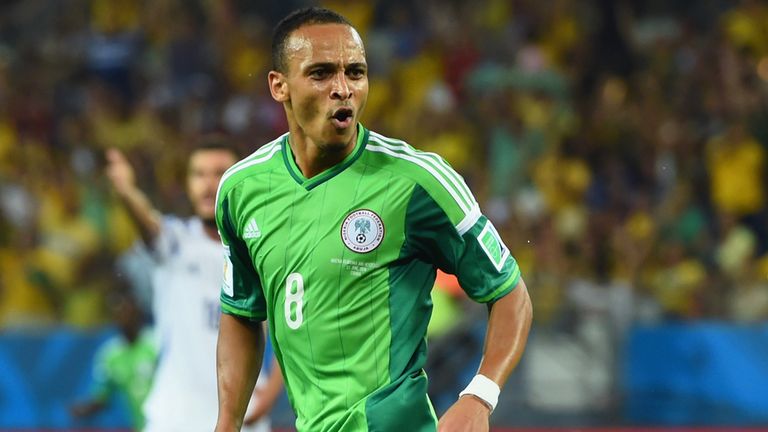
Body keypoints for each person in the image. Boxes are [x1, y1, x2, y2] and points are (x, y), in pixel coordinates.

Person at [214, 6, 533, 432]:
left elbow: (511, 293)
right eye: (321, 73)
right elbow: (241, 312)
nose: (343, 89)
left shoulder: (418, 181)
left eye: (356, 72)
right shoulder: (241, 190)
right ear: (279, 86)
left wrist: (480, 395)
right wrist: (227, 424)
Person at [106, 140, 284, 432]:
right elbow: (148, 223)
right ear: (188, 184)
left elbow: (291, 325)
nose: (208, 184)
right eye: (198, 174)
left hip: (244, 420)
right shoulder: (175, 244)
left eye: (219, 173)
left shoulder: (263, 252)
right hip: (176, 420)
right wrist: (126, 192)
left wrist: (271, 394)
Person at [69, 288, 157, 431]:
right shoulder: (110, 355)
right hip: (141, 427)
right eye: (120, 313)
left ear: (138, 313)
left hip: (170, 423)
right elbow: (101, 396)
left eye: (128, 311)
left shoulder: (156, 344)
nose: (125, 317)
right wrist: (85, 408)